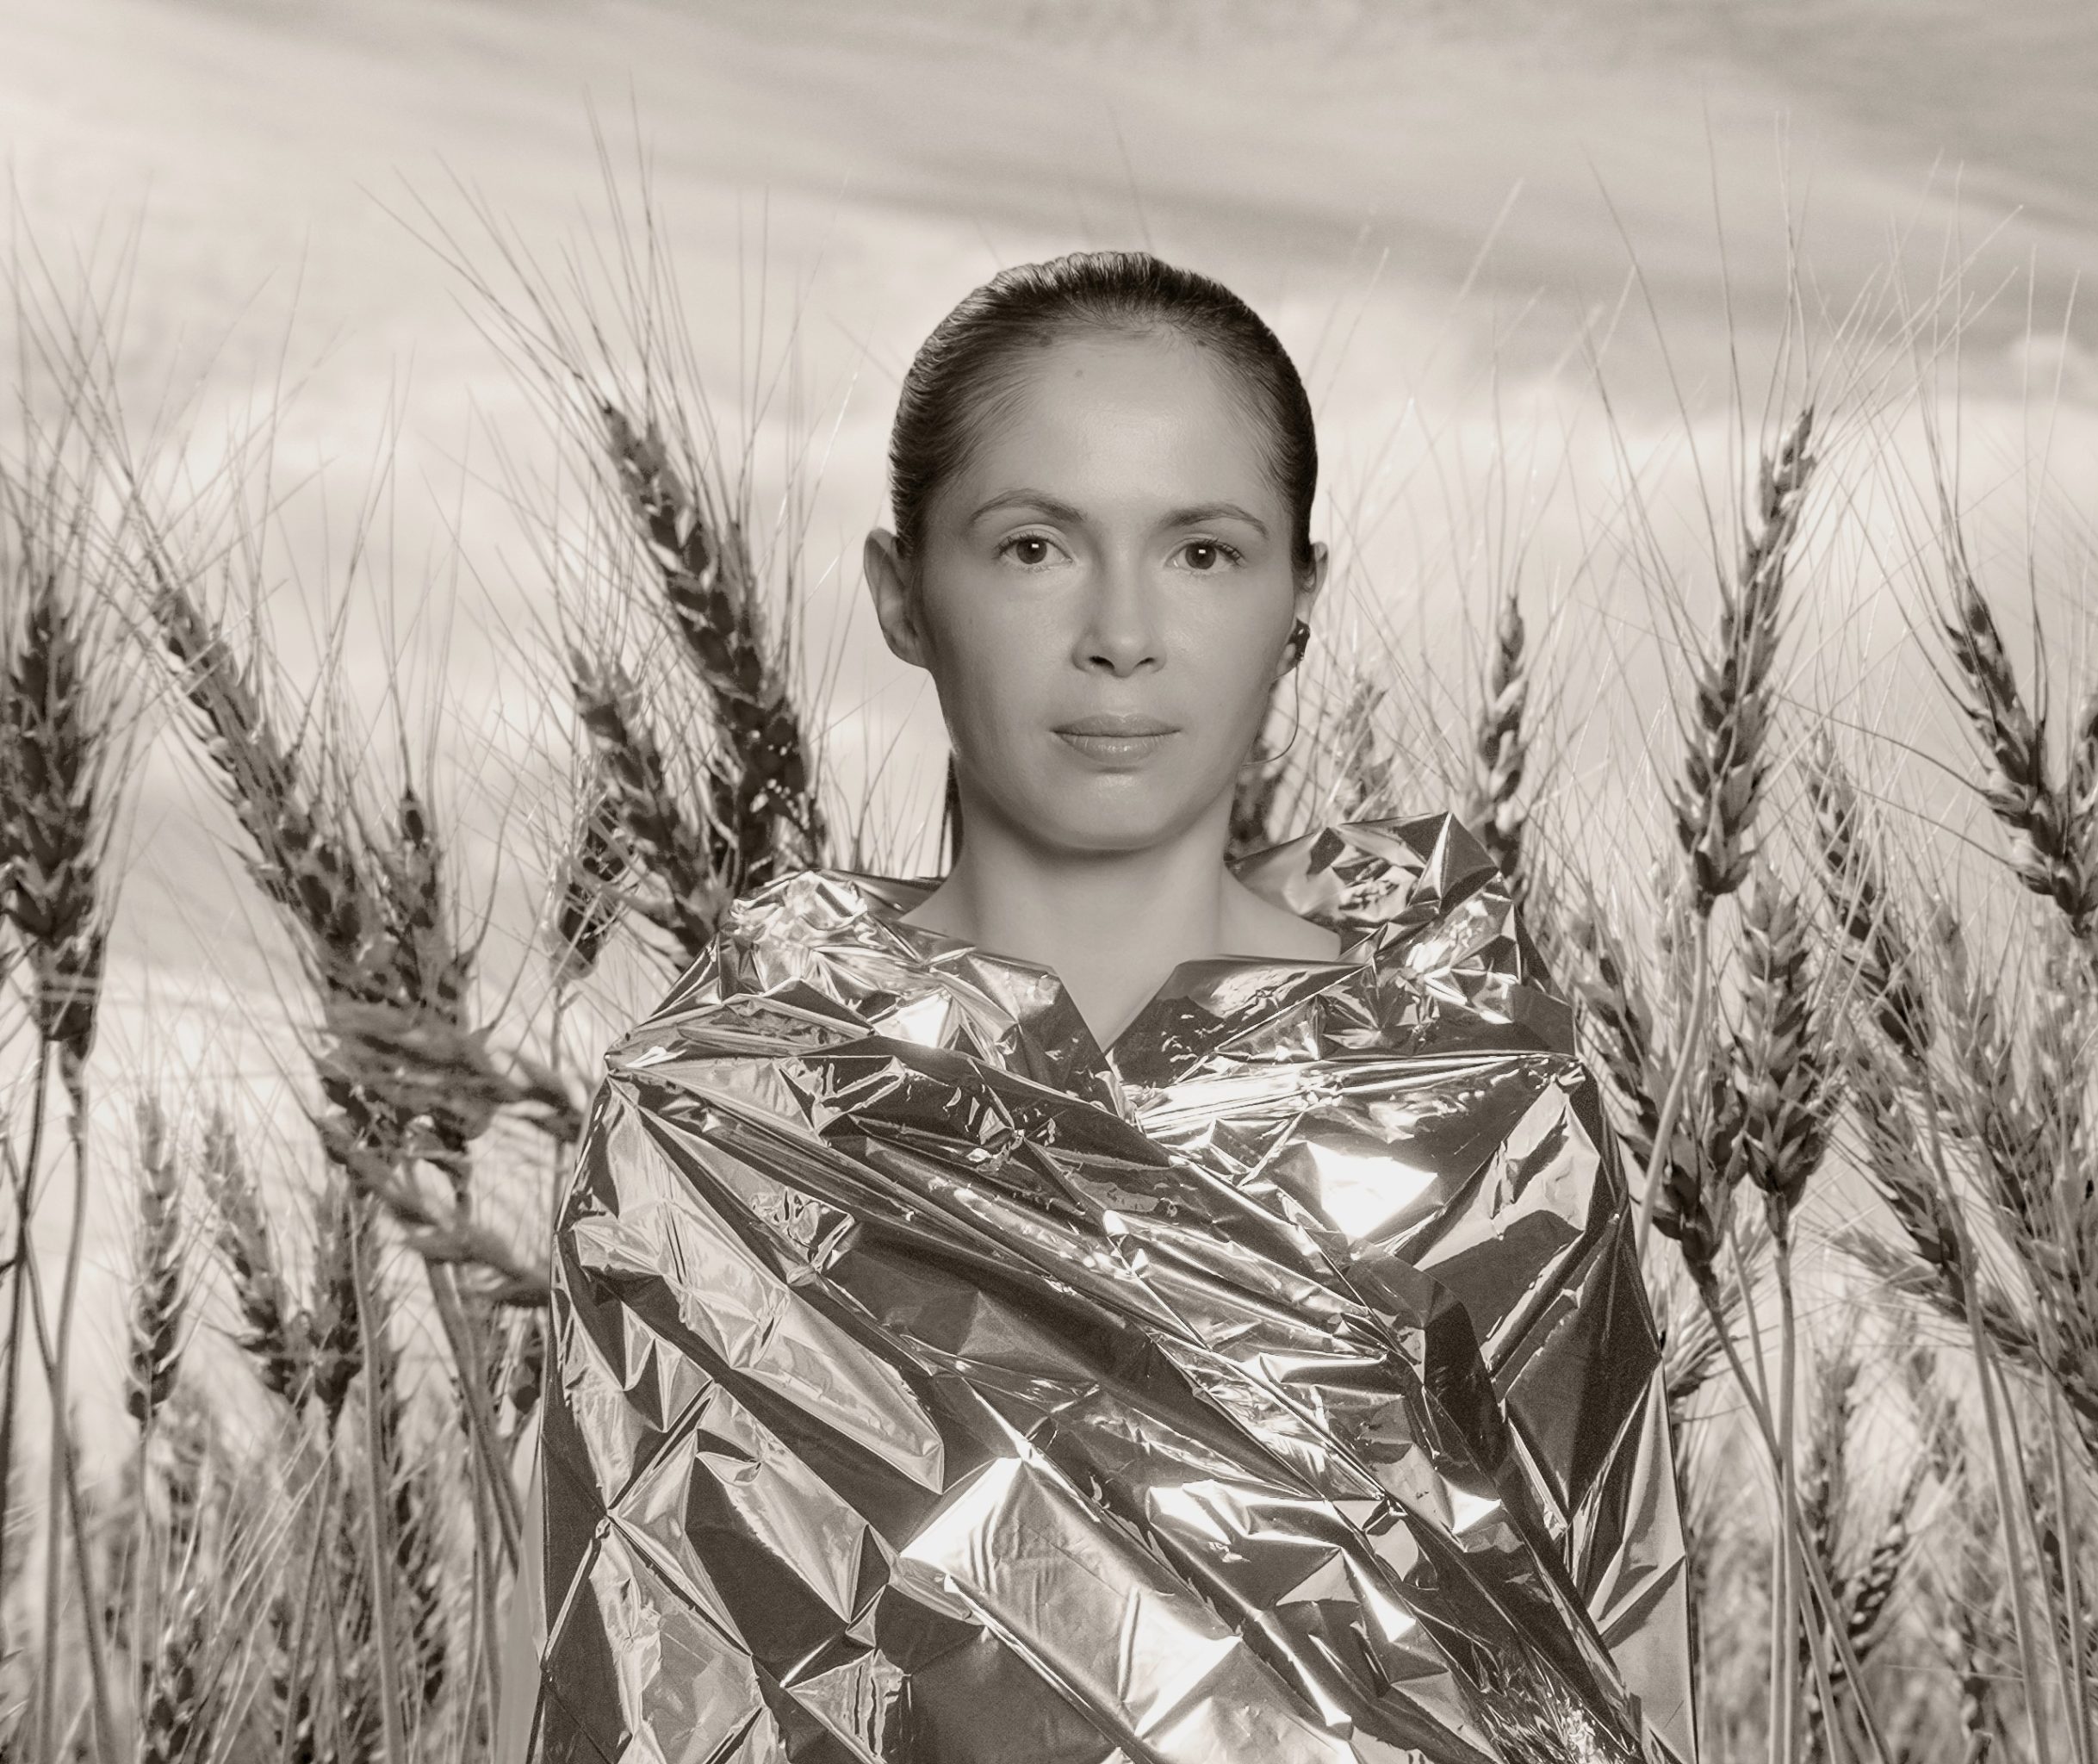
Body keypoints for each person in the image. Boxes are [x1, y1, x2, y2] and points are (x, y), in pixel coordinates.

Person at [523, 251, 1693, 1763]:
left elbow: (1610, 1681)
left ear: (1300, 600)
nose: (1122, 632)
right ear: (901, 595)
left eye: (1204, 551)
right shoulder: (716, 1125)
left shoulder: (1482, 1109)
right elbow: (618, 1684)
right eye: (1032, 548)